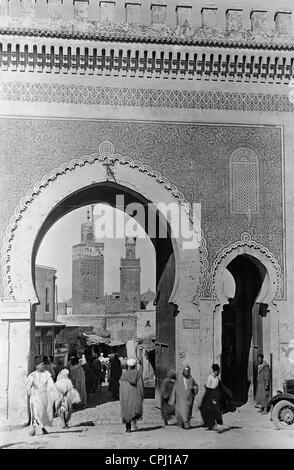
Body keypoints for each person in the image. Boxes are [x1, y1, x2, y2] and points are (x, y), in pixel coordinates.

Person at [26, 356, 60, 436]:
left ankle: (43, 428)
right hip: (35, 398)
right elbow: (28, 387)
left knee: (43, 414)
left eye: (43, 364)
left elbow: (51, 385)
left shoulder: (47, 375)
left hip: (45, 398)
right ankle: (34, 429)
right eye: (41, 365)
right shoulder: (32, 375)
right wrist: (31, 393)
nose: (43, 366)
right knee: (35, 413)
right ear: (37, 366)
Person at [200, 364, 232, 431]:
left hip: (216, 397)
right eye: (217, 371)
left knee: (217, 410)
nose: (218, 372)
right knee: (210, 410)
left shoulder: (217, 378)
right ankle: (211, 425)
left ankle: (218, 423)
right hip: (210, 397)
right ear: (215, 371)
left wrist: (229, 393)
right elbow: (208, 388)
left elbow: (221, 386)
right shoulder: (210, 378)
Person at [168, 365, 199, 429]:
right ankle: (181, 423)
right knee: (179, 412)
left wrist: (194, 388)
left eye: (188, 371)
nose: (187, 372)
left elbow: (196, 386)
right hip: (180, 399)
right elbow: (174, 389)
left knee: (187, 413)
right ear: (183, 372)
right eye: (186, 371)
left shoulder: (191, 379)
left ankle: (186, 424)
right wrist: (172, 400)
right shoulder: (179, 379)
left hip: (188, 400)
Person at [119, 358, 144, 433]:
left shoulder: (124, 375)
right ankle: (134, 422)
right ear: (135, 365)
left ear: (128, 366)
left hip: (126, 396)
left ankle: (128, 428)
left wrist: (121, 396)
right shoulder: (138, 374)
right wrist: (141, 395)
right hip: (135, 395)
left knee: (127, 410)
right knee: (134, 409)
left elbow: (122, 387)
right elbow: (141, 386)